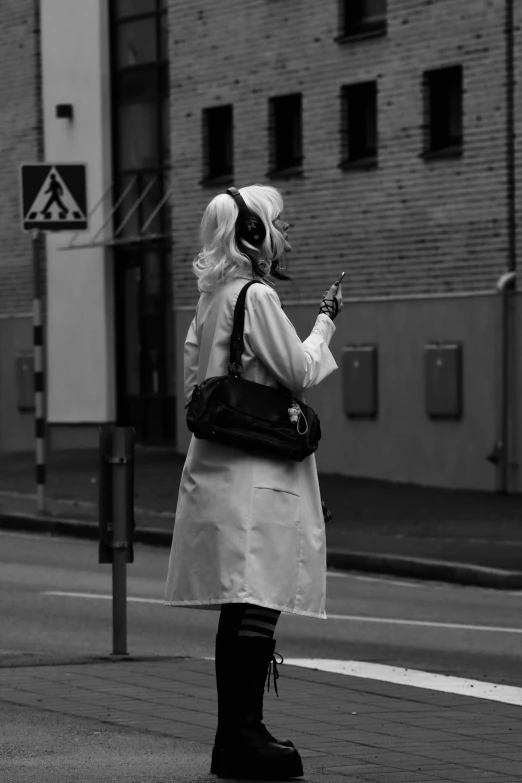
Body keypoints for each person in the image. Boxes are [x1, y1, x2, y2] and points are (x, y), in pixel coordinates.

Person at [164, 184, 343, 780]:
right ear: (251, 233)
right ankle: (243, 734)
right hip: (259, 475)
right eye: (276, 224)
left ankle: (235, 734)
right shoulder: (257, 296)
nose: (282, 235)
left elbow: (197, 384)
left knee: (240, 606)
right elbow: (298, 371)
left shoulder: (211, 298)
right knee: (259, 601)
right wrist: (322, 326)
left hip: (222, 470)